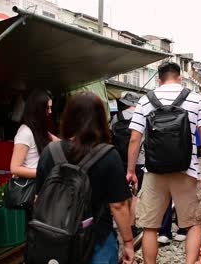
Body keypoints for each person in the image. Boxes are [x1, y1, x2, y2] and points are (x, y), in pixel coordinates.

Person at [127, 62, 201, 264]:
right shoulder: (195, 99)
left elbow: (134, 138)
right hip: (187, 172)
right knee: (193, 224)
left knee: (150, 226)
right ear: (180, 78)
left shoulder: (145, 101)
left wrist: (131, 170)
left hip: (154, 172)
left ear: (159, 80)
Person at [36, 92, 134, 264]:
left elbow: (39, 199)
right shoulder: (109, 155)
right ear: (100, 120)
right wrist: (128, 242)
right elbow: (118, 206)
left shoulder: (49, 152)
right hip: (97, 239)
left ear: (68, 118)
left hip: (56, 239)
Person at [110, 92, 145, 237]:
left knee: (122, 193)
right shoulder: (141, 117)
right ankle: (132, 226)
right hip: (138, 160)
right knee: (135, 194)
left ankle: (121, 223)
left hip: (119, 161)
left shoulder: (116, 117)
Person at [10, 89, 59, 180]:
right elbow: (14, 168)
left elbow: (62, 143)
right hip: (30, 188)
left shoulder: (38, 130)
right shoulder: (25, 132)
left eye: (50, 107)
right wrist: (45, 173)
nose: (50, 111)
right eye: (47, 108)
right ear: (38, 109)